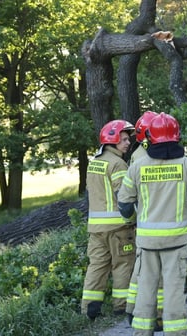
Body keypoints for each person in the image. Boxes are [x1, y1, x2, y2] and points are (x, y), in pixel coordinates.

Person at [118, 113, 187, 336]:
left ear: (150, 138)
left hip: (147, 241)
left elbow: (124, 204)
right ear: (177, 136)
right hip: (177, 240)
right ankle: (175, 332)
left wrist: (133, 221)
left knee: (146, 288)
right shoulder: (186, 165)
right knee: (173, 289)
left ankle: (143, 331)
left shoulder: (137, 166)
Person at [81, 119, 137, 320]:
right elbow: (124, 197)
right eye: (123, 140)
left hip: (96, 228)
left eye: (127, 139)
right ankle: (120, 307)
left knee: (97, 266)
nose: (127, 143)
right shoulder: (118, 164)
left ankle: (89, 309)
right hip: (119, 228)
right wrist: (133, 219)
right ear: (111, 141)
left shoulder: (94, 162)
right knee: (122, 265)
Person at [124, 110, 163, 325]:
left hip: (144, 218)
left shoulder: (137, 154)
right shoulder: (149, 156)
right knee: (155, 274)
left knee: (140, 268)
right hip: (154, 219)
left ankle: (132, 309)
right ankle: (154, 315)